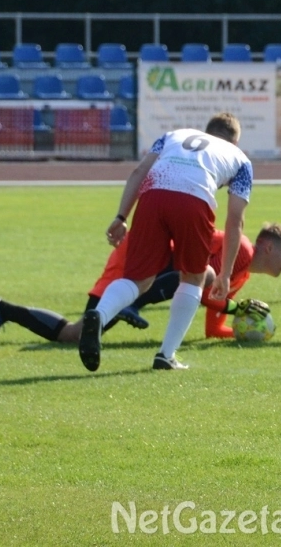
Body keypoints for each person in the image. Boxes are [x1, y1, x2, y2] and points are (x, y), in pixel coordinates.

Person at [78, 112, 253, 372]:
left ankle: (99, 315)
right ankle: (166, 355)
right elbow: (235, 220)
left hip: (153, 194)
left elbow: (139, 171)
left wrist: (121, 216)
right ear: (235, 142)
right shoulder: (241, 159)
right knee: (194, 277)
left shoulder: (174, 135)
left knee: (138, 279)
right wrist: (225, 274)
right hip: (194, 200)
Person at [0, 223, 281, 345]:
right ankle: (130, 303)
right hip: (142, 256)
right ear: (268, 247)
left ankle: (2, 309)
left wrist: (242, 330)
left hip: (147, 265)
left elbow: (212, 327)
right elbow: (198, 283)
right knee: (204, 275)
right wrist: (236, 307)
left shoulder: (239, 274)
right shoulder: (241, 250)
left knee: (76, 335)